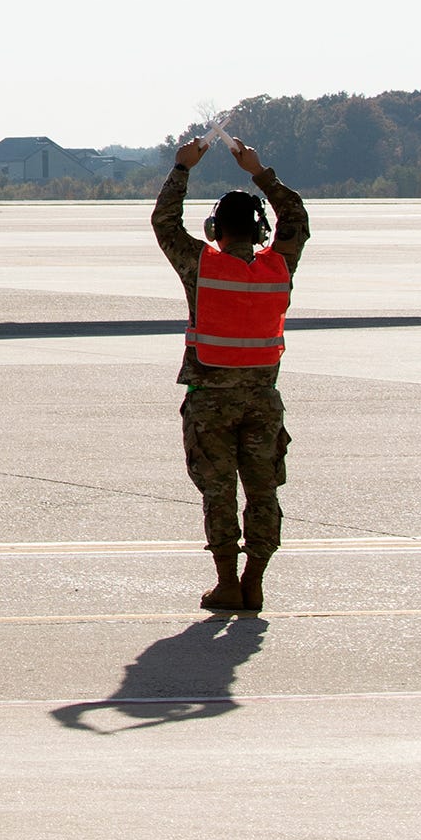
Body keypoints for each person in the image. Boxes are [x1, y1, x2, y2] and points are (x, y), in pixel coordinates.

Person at [153, 135, 307, 613]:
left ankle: (225, 582)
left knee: (218, 492)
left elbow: (164, 224)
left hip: (210, 401)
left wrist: (182, 168)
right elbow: (297, 220)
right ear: (260, 229)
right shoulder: (278, 264)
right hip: (262, 399)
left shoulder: (203, 265)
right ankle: (254, 579)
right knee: (263, 491)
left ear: (216, 227)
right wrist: (260, 174)